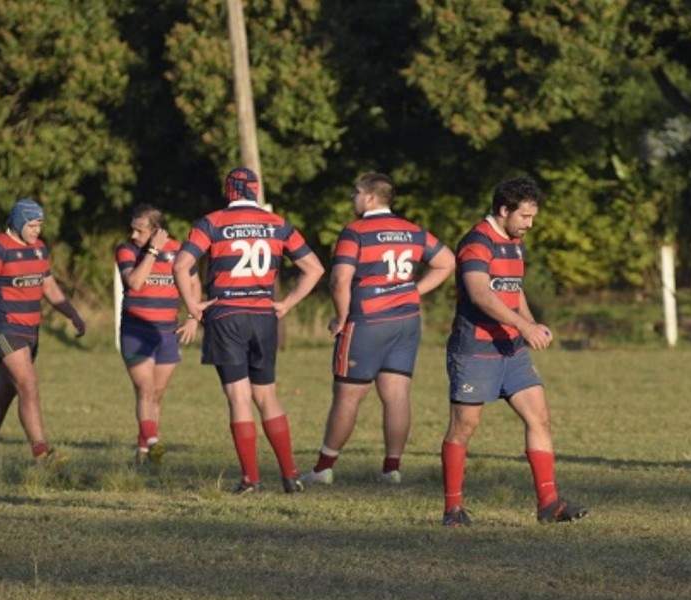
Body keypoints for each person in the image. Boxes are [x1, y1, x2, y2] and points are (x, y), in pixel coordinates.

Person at [440, 176, 588, 526]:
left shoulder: (514, 242)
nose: (530, 224)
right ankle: (453, 509)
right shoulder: (476, 242)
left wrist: (531, 323)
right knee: (465, 426)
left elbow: (512, 289)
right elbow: (480, 294)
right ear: (504, 210)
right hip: (475, 349)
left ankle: (549, 504)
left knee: (539, 417)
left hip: (512, 350)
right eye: (525, 217)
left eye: (533, 217)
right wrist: (525, 327)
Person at [173, 167, 324, 494]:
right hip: (264, 317)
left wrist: (193, 306)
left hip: (226, 315)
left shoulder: (211, 223)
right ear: (255, 191)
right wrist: (287, 304)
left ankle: (251, 479)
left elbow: (180, 264)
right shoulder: (279, 224)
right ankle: (290, 475)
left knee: (239, 397)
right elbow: (314, 268)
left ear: (229, 191)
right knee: (267, 395)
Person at [301, 172, 456, 486]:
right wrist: (414, 291)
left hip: (367, 322)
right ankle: (391, 470)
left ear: (371, 197)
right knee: (397, 395)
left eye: (356, 192)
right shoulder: (412, 231)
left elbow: (339, 280)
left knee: (347, 397)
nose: (352, 198)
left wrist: (340, 317)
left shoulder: (354, 232)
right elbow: (447, 261)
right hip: (406, 321)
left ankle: (323, 469)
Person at [0, 198, 86, 467]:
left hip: (31, 333)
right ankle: (43, 453)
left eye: (40, 225)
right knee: (28, 384)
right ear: (18, 222)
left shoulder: (39, 249)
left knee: (3, 395)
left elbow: (50, 288)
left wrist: (73, 314)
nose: (36, 231)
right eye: (32, 225)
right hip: (4, 329)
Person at [115, 203, 201, 465]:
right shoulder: (126, 251)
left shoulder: (179, 252)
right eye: (133, 229)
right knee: (145, 388)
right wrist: (152, 251)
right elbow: (135, 283)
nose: (133, 235)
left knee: (157, 393)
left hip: (167, 332)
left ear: (156, 231)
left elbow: (194, 283)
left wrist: (192, 318)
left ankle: (143, 452)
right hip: (136, 330)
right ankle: (154, 441)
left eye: (139, 231)